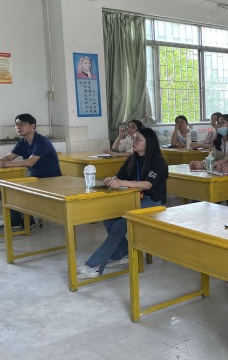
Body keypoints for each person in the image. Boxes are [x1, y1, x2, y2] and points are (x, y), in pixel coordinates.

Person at [77, 128, 168, 279]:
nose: (134, 141)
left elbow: (147, 184)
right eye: (134, 138)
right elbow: (119, 176)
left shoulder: (157, 161)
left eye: (138, 139)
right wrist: (111, 180)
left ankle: (94, 264)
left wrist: (122, 183)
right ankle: (122, 253)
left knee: (120, 225)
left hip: (152, 202)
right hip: (132, 199)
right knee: (108, 218)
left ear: (149, 143)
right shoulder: (132, 159)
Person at [0, 113, 61, 230]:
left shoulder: (41, 141)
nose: (18, 127)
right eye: (16, 124)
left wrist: (4, 164)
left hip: (51, 179)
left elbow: (30, 162)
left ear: (33, 126)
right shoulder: (22, 143)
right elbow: (8, 157)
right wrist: (2, 161)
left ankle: (29, 222)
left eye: (22, 124)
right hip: (35, 178)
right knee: (4, 188)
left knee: (20, 190)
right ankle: (15, 220)